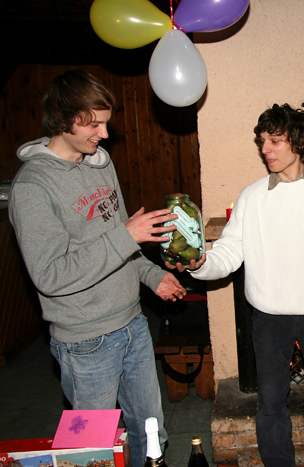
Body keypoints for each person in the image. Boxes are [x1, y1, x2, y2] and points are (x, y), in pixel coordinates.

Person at [168, 104, 304, 467]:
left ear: (299, 143)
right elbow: (229, 252)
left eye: (275, 141)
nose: (265, 149)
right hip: (269, 319)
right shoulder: (252, 195)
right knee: (271, 405)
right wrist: (199, 264)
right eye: (262, 141)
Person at [9, 70, 185, 467]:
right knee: (94, 450)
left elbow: (121, 244)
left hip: (133, 324)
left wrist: (151, 275)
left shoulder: (99, 165)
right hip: (86, 343)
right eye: (94, 125)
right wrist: (126, 235)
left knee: (152, 434)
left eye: (105, 123)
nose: (104, 134)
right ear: (64, 119)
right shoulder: (33, 187)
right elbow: (50, 275)